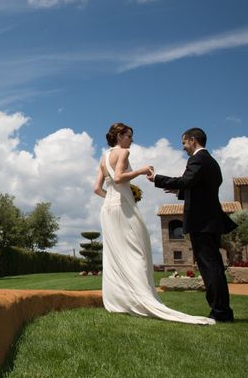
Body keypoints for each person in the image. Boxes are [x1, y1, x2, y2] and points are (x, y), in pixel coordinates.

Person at [94, 122, 215, 325]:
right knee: (138, 252)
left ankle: (120, 300)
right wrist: (141, 171)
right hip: (123, 208)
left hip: (108, 209)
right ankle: (142, 298)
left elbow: (97, 188)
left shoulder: (103, 157)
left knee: (117, 254)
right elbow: (118, 177)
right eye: (129, 136)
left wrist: (113, 197)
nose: (131, 140)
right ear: (119, 136)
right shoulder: (123, 152)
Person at [148, 128, 237, 323]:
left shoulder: (197, 159)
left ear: (193, 140)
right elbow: (201, 187)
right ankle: (223, 311)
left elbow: (188, 180)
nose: (183, 147)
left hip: (202, 224)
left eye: (184, 143)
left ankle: (220, 313)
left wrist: (157, 178)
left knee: (210, 268)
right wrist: (179, 191)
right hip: (211, 222)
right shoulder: (212, 162)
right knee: (214, 267)